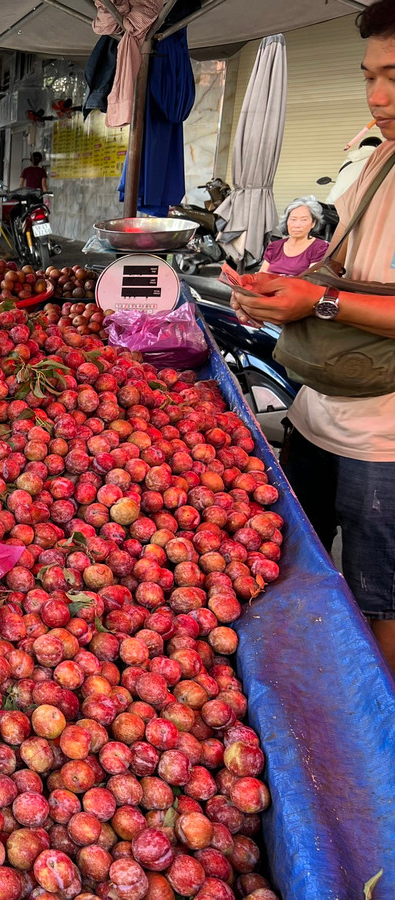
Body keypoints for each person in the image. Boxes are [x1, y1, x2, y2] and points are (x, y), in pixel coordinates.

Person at [229, 0, 395, 676]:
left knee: (379, 602)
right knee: (297, 570)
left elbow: (335, 294)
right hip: (316, 411)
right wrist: (279, 293)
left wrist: (318, 299)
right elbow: (344, 266)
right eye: (368, 77)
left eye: (394, 76)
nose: (378, 96)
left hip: (383, 441)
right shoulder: (374, 157)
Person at [259, 197, 330, 275]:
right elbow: (261, 274)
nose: (297, 225)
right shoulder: (274, 247)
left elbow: (311, 279)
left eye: (304, 220)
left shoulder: (319, 248)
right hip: (269, 286)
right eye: (293, 219)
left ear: (313, 223)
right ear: (286, 221)